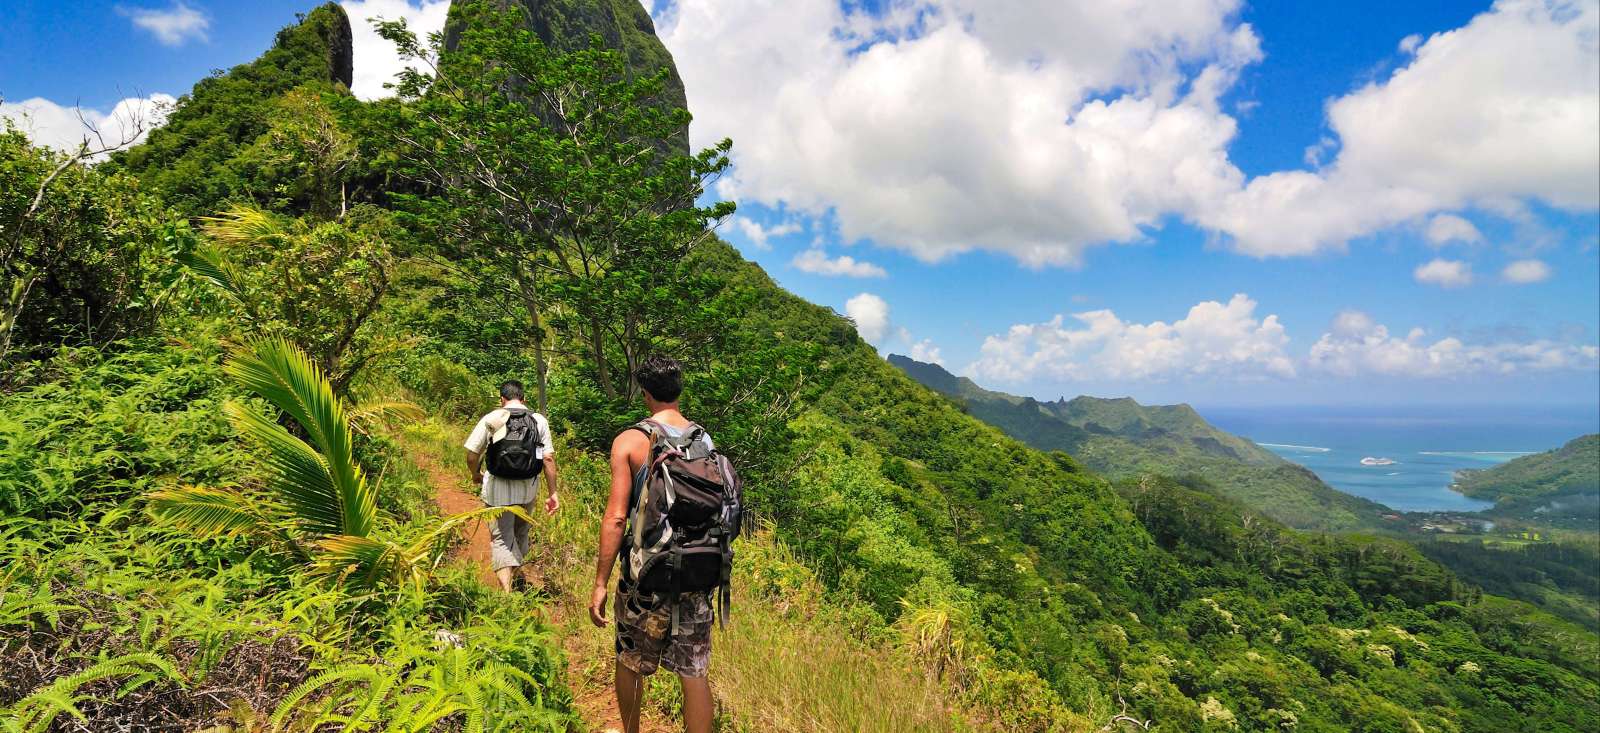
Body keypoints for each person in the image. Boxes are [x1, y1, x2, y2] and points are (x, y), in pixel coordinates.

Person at [590, 356, 718, 733]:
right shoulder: (703, 440)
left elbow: (616, 517)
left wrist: (600, 582)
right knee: (694, 672)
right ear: (678, 391)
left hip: (645, 576)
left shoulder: (630, 441)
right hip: (696, 571)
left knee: (630, 660)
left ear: (645, 394)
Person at [464, 380, 560, 592]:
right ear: (524, 399)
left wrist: (475, 475)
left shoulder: (492, 418)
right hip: (528, 491)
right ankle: (514, 578)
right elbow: (548, 459)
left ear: (502, 400)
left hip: (497, 490)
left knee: (501, 539)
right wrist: (553, 492)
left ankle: (506, 593)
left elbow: (472, 455)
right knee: (520, 534)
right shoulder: (538, 420)